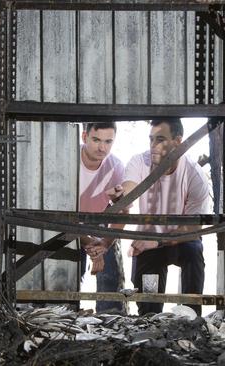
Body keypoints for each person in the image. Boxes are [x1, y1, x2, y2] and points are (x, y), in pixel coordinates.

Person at [108, 118, 211, 316]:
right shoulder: (140, 161)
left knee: (193, 251)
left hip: (179, 242)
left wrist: (156, 242)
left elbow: (192, 230)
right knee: (149, 310)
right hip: (148, 243)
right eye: (151, 139)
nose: (153, 146)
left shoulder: (194, 176)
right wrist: (121, 195)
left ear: (177, 142)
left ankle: (191, 315)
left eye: (160, 139)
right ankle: (150, 318)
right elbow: (129, 188)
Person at [79, 122, 126, 312]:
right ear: (84, 137)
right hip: (64, 219)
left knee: (109, 268)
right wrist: (86, 241)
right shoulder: (67, 157)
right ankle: (66, 310)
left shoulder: (115, 166)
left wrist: (104, 245)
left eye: (108, 141)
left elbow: (123, 213)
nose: (102, 148)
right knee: (67, 269)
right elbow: (53, 206)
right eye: (96, 140)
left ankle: (109, 318)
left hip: (97, 220)